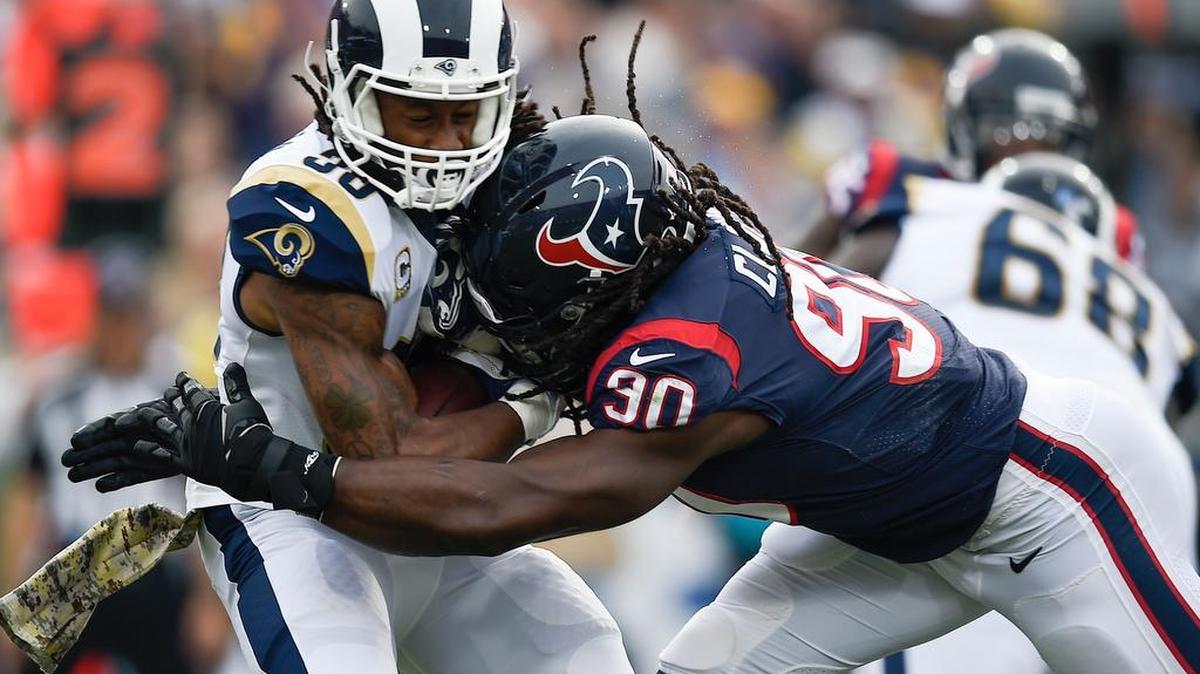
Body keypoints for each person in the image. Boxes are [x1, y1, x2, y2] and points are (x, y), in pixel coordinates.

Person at [68, 105, 1200, 672]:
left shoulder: (685, 354)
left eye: (529, 301)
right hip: (881, 536)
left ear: (596, 282)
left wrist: (272, 466)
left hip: (1048, 496)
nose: (514, 327)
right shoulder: (671, 253)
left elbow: (509, 505)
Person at [68, 1, 632, 672]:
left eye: (467, 114)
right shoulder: (312, 209)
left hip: (444, 516)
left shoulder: (517, 178)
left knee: (585, 652)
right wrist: (536, 398)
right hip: (299, 515)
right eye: (420, 115)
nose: (448, 146)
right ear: (352, 95)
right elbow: (391, 459)